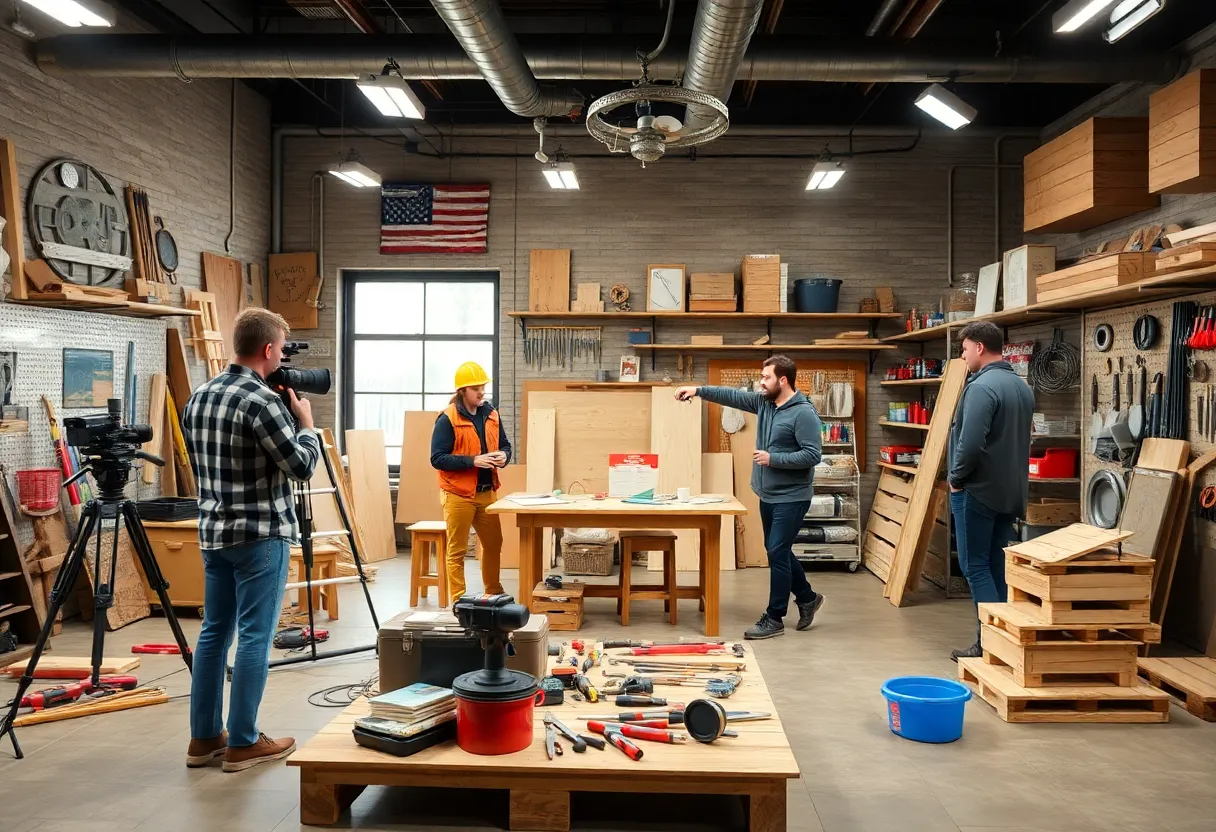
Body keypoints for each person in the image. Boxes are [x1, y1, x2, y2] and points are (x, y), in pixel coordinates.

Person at [182, 308, 322, 772]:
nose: (284, 357)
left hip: (214, 535)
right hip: (261, 536)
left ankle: (204, 738)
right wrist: (306, 424)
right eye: (282, 349)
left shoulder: (199, 396)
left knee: (213, 634)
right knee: (256, 637)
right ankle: (242, 741)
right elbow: (300, 466)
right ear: (267, 350)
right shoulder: (261, 402)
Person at [676, 355, 825, 639]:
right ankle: (807, 598)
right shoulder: (765, 403)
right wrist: (697, 390)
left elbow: (813, 455)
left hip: (792, 497)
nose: (761, 382)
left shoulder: (803, 413)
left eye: (766, 377)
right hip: (767, 494)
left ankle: (775, 618)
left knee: (777, 552)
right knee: (777, 550)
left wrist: (774, 458)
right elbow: (731, 395)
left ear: (782, 380)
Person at [947, 320, 1035, 661]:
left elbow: (969, 445)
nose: (964, 355)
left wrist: (956, 477)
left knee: (975, 567)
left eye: (965, 349)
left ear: (980, 347)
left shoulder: (982, 387)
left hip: (978, 492)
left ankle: (990, 643)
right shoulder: (1020, 386)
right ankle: (1004, 642)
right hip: (1010, 492)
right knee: (995, 566)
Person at [430, 361, 512, 600]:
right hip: (458, 494)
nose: (481, 392)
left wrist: (504, 456)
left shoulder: (492, 414)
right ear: (462, 391)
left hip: (487, 492)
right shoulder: (447, 419)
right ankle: (459, 600)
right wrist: (473, 461)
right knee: (457, 550)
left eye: (483, 386)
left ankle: (493, 592)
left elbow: (505, 444)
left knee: (494, 544)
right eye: (475, 387)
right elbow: (437, 458)